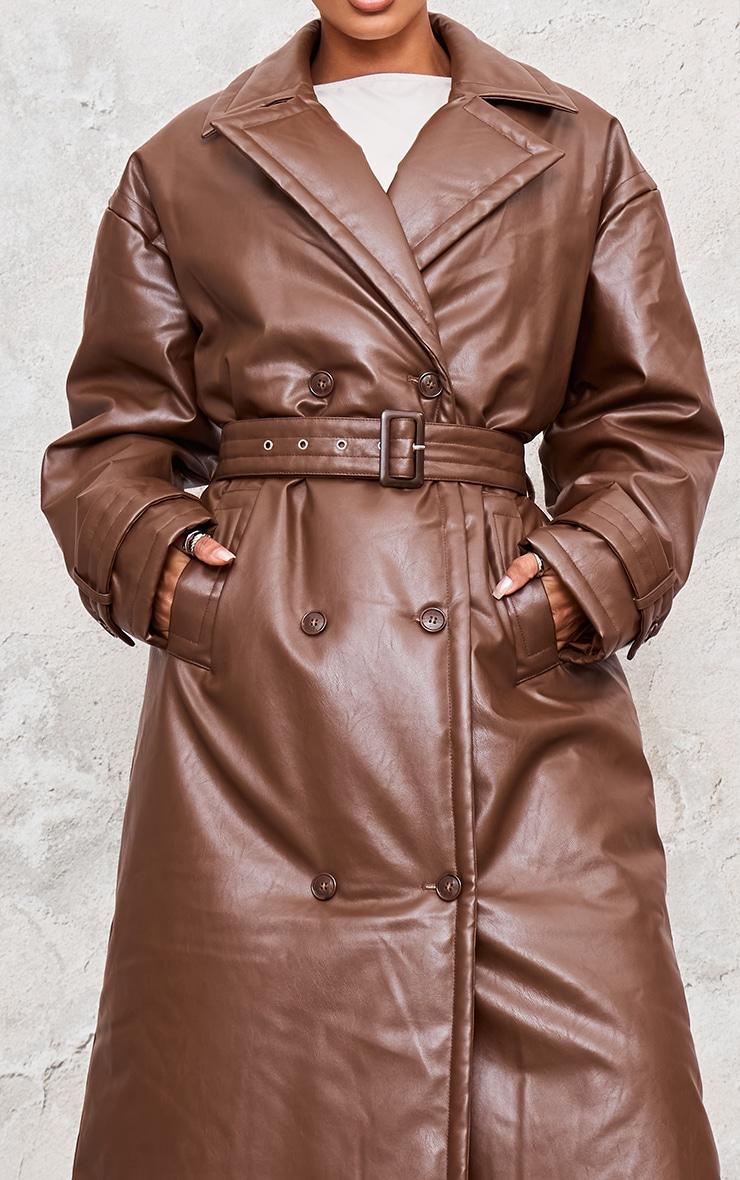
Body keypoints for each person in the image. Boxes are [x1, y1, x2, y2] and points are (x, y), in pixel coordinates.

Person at [39, 1, 724, 1177]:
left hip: (510, 708)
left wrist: (572, 583)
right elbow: (111, 442)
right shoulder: (185, 160)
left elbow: (649, 424)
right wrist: (173, 576)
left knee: (603, 1118)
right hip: (258, 727)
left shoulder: (574, 145)